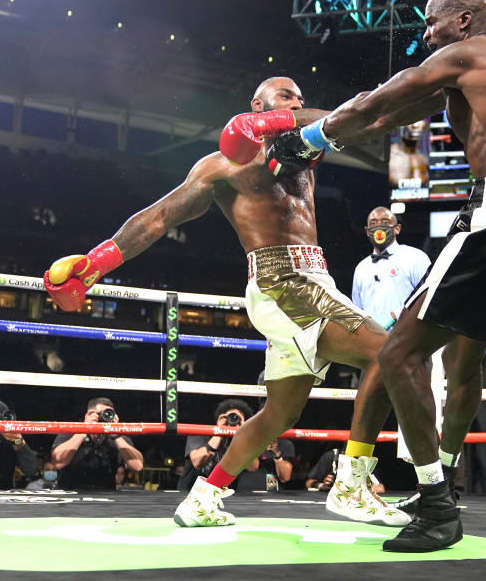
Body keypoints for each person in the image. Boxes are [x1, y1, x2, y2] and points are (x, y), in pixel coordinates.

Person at [266, 0, 486, 551]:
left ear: (462, 21)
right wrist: (294, 129)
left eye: (431, 22)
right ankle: (444, 482)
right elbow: (380, 120)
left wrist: (304, 139)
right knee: (464, 354)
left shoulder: (467, 53)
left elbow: (378, 98)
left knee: (398, 351)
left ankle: (434, 506)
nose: (425, 34)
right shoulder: (484, 69)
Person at [43, 77, 408, 527]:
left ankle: (202, 497)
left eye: (299, 98)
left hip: (314, 278)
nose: (298, 103)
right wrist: (96, 262)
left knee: (279, 413)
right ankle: (351, 486)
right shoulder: (220, 167)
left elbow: (343, 122)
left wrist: (280, 119)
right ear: (256, 103)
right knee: (388, 352)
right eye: (285, 97)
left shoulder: (300, 146)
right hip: (282, 282)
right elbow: (160, 216)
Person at [352, 206, 431, 333]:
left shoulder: (416, 258)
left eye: (385, 222)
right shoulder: (361, 268)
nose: (379, 227)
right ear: (367, 231)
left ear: (397, 229)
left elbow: (427, 297)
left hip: (407, 337)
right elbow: (357, 309)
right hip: (371, 341)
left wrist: (395, 315)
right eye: (373, 223)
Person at [51, 397, 144, 491]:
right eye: (100, 415)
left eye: (108, 414)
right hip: (70, 494)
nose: (104, 418)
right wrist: (84, 430)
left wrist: (116, 435)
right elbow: (58, 462)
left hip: (104, 497)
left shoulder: (119, 440)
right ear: (89, 415)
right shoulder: (70, 433)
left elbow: (137, 466)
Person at [179, 399, 258, 492]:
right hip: (191, 491)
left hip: (223, 494)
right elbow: (197, 462)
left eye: (237, 419)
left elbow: (253, 467)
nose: (233, 421)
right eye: (230, 417)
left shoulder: (241, 443)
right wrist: (220, 431)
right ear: (221, 418)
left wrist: (242, 431)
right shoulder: (201, 433)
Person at [306, 447, 386, 494]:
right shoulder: (331, 456)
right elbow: (308, 483)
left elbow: (380, 488)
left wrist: (350, 487)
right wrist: (321, 485)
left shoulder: (364, 460)